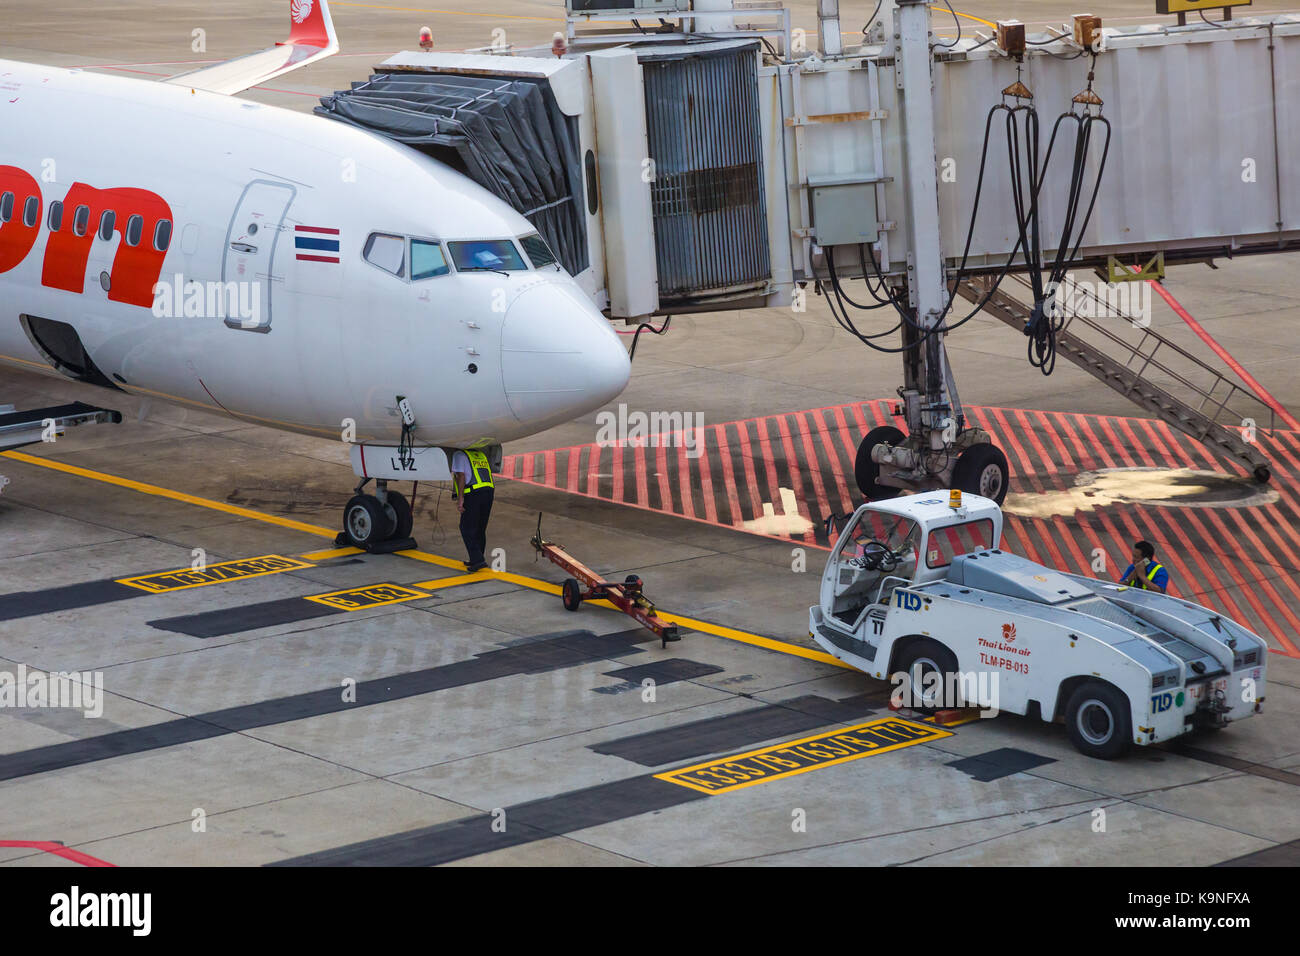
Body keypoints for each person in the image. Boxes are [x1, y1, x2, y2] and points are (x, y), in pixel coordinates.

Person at [451, 448, 494, 571]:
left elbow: (461, 476)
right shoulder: (479, 454)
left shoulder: (459, 454)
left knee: (466, 527)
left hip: (474, 493)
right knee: (480, 528)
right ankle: (477, 557)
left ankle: (478, 560)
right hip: (489, 492)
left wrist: (460, 498)